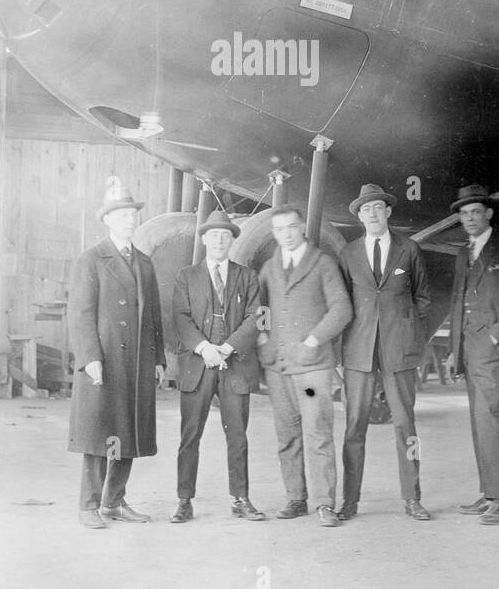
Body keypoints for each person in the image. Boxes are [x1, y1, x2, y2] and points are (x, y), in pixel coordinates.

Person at [67, 177, 165, 529]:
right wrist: (90, 357)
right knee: (99, 434)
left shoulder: (144, 262)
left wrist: (158, 359)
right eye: (121, 214)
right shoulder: (92, 259)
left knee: (130, 431)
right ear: (107, 220)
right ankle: (88, 505)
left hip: (137, 361)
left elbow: (153, 315)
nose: (129, 220)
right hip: (105, 360)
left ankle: (114, 501)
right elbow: (79, 314)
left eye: (132, 214)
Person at [338, 182, 432, 521]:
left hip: (399, 350)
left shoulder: (409, 249)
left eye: (378, 207)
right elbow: (342, 303)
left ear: (388, 212)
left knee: (406, 424)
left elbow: (423, 299)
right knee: (354, 427)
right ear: (360, 217)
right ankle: (350, 500)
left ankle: (412, 498)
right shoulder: (348, 253)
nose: (372, 214)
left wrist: (409, 335)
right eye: (366, 209)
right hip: (359, 351)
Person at [258, 206, 352, 528]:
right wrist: (263, 340)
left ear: (302, 228)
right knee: (287, 436)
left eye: (291, 227)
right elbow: (260, 310)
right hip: (279, 368)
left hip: (312, 370)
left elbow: (342, 309)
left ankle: (325, 503)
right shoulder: (270, 268)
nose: (286, 233)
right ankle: (296, 498)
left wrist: (313, 341)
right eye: (279, 229)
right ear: (274, 233)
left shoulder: (323, 263)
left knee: (318, 435)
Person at [170, 209, 265, 524]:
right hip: (198, 366)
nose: (220, 240)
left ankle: (240, 499)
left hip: (235, 364)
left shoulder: (247, 276)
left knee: (237, 435)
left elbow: (256, 318)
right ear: (204, 239)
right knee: (190, 434)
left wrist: (226, 347)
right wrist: (205, 348)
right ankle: (184, 501)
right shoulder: (186, 276)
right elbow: (181, 319)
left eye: (226, 235)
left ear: (232, 240)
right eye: (214, 235)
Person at [448, 184, 499, 525]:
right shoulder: (461, 254)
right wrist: (455, 350)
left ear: (489, 213)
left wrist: (497, 337)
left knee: (488, 421)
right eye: (464, 214)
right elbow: (456, 304)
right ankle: (488, 494)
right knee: (478, 422)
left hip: (490, 348)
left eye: (475, 212)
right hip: (467, 348)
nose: (469, 219)